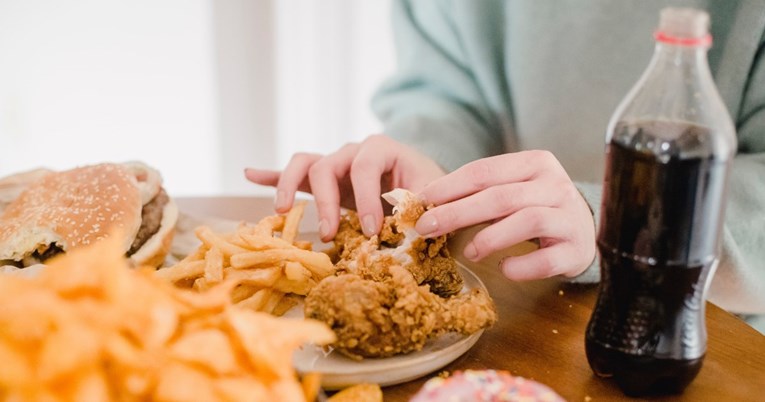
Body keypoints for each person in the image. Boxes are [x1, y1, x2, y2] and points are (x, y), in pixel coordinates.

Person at [245, 1, 765, 328]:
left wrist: (615, 222)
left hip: (707, 323)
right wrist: (433, 171)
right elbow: (447, 86)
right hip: (521, 302)